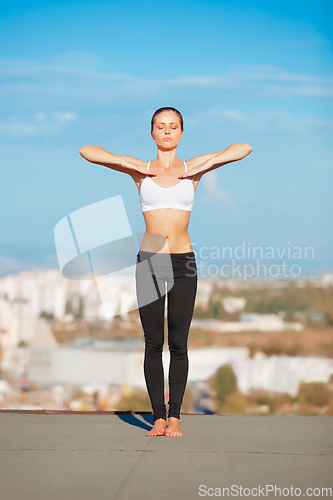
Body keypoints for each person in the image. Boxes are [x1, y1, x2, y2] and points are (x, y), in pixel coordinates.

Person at [79, 106, 253, 437]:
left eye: (174, 126)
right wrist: (132, 164)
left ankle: (175, 418)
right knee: (152, 342)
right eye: (161, 126)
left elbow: (243, 148)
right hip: (151, 261)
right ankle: (158, 417)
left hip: (183, 260)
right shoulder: (141, 172)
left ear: (182, 133)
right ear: (152, 133)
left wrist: (202, 164)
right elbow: (87, 151)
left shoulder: (193, 171)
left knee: (179, 343)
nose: (167, 131)